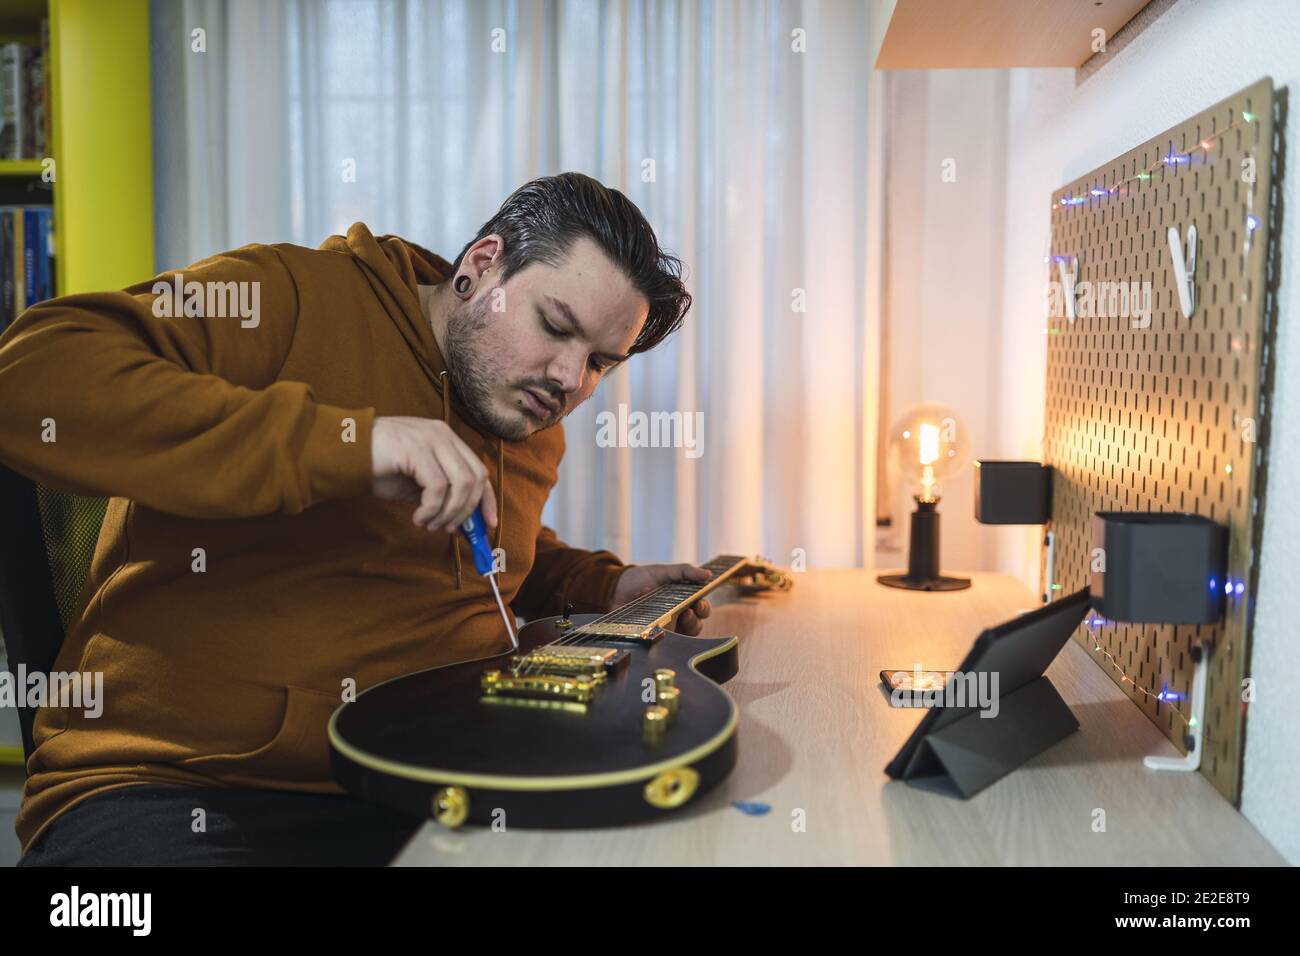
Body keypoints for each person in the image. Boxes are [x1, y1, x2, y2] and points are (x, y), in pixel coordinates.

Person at [0, 172, 712, 865]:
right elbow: (31, 377)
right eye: (555, 326)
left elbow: (486, 551)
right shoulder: (294, 295)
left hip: (420, 787)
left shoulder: (528, 416)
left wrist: (602, 584)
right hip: (179, 791)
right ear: (482, 265)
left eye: (599, 363)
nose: (567, 378)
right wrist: (350, 441)